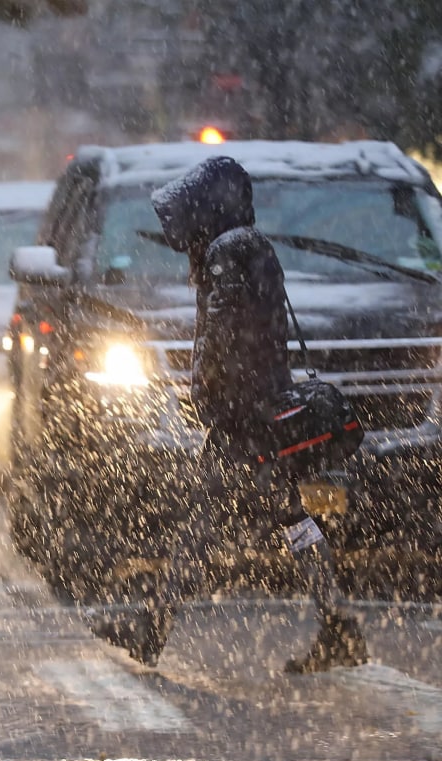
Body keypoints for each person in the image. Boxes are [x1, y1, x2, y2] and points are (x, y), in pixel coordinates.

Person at [90, 156, 368, 674]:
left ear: (207, 206)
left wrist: (213, 400)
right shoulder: (249, 245)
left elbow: (222, 339)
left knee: (200, 526)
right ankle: (338, 625)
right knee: (293, 519)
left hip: (243, 419)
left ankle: (155, 628)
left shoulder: (227, 251)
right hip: (263, 408)